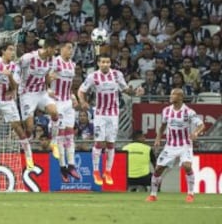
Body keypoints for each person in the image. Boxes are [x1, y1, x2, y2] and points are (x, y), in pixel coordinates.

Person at [78, 54, 144, 186]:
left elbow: (125, 90)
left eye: (107, 62)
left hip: (113, 114)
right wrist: (83, 101)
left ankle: (107, 171)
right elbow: (81, 90)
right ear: (98, 63)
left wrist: (136, 92)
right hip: (100, 114)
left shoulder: (117, 75)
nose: (105, 64)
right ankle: (96, 171)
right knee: (98, 143)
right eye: (103, 62)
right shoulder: (93, 76)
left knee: (110, 144)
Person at [0, 42, 34, 182]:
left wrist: (10, 76)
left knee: (19, 129)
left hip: (7, 101)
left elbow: (15, 86)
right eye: (10, 50)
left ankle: (29, 157)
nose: (13, 52)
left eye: (14, 50)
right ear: (3, 51)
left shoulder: (15, 67)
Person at [146, 88, 205, 203]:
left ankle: (190, 194)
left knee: (187, 166)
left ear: (180, 97)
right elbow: (163, 126)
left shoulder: (188, 112)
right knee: (158, 169)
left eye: (174, 94)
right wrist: (158, 138)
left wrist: (196, 133)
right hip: (170, 145)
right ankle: (153, 195)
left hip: (185, 145)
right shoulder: (166, 111)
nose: (171, 96)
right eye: (171, 94)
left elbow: (201, 125)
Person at [18, 37, 60, 159]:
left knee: (55, 113)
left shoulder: (52, 60)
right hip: (27, 94)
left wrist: (49, 84)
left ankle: (54, 142)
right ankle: (26, 149)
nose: (56, 52)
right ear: (49, 48)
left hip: (41, 93)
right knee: (30, 128)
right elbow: (15, 68)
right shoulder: (28, 58)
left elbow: (45, 76)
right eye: (55, 50)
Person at [49, 41, 80, 182]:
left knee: (70, 134)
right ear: (60, 49)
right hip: (57, 101)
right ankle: (62, 167)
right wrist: (48, 88)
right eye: (68, 48)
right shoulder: (55, 62)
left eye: (72, 48)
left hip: (67, 102)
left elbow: (69, 86)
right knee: (61, 135)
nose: (70, 50)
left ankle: (71, 165)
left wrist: (73, 97)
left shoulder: (72, 65)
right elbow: (45, 77)